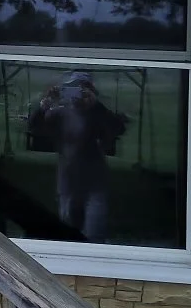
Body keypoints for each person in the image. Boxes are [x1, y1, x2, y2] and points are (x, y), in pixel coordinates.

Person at [24, 72, 129, 241]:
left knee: (94, 235)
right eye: (74, 88)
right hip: (68, 182)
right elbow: (34, 127)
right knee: (69, 234)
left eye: (83, 89)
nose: (78, 94)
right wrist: (45, 104)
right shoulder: (60, 114)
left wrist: (96, 105)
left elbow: (118, 129)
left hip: (95, 183)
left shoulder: (97, 113)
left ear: (92, 91)